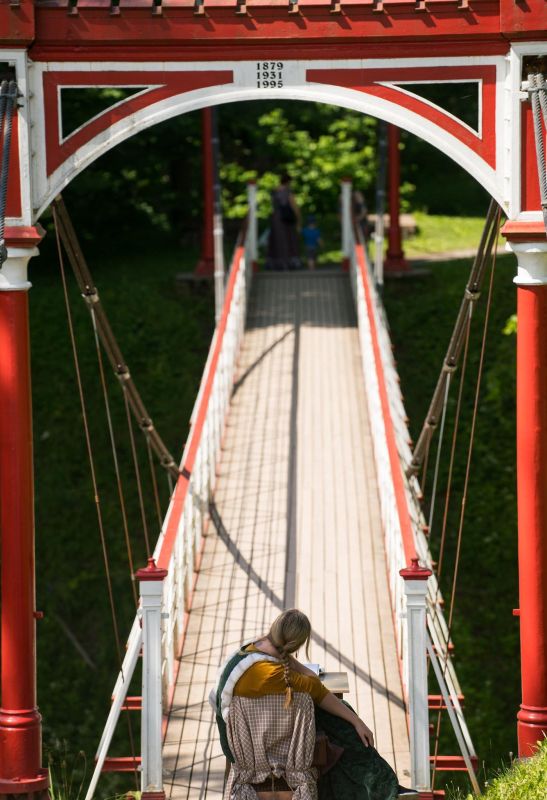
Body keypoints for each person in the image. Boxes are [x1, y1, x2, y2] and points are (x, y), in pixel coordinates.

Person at [212, 609, 417, 799]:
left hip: (244, 741)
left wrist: (288, 658)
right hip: (254, 748)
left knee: (336, 727)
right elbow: (315, 687)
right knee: (340, 725)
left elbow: (310, 681)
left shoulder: (254, 648)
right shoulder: (271, 674)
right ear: (297, 644)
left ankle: (377, 784)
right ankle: (382, 786)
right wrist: (357, 722)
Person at [266, 173, 301, 271]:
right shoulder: (288, 191)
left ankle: (275, 263)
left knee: (276, 240)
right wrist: (298, 218)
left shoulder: (274, 191)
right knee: (287, 240)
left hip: (276, 218)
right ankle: (288, 263)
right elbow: (294, 205)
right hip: (286, 219)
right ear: (288, 182)